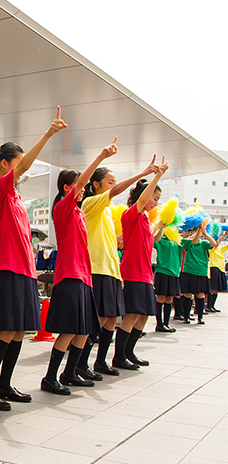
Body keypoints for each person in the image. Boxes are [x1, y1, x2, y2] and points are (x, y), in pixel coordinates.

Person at [0, 106, 66, 411]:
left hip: (24, 270)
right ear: (6, 164)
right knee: (6, 330)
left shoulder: (14, 195)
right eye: (18, 164)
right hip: (7, 268)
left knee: (18, 331)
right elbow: (24, 166)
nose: (22, 171)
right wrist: (49, 133)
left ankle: (3, 385)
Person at [41, 138, 117, 395]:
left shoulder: (78, 212)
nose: (82, 190)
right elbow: (84, 182)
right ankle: (50, 377)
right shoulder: (63, 207)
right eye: (78, 186)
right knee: (69, 330)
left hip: (84, 276)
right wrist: (101, 156)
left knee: (84, 329)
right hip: (70, 275)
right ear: (67, 188)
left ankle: (70, 373)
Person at [77, 157, 160, 379]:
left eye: (114, 182)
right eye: (110, 181)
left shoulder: (107, 211)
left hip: (111, 270)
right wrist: (144, 173)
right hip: (97, 268)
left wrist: (117, 272)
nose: (113, 185)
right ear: (95, 184)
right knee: (100, 319)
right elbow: (118, 194)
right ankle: (81, 364)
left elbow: (113, 242)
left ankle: (101, 361)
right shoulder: (90, 204)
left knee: (112, 319)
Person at [115, 157, 169, 370]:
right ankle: (119, 356)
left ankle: (129, 352)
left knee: (144, 315)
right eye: (154, 198)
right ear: (143, 197)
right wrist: (157, 175)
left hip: (146, 274)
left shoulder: (146, 219)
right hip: (132, 273)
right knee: (131, 315)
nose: (155, 202)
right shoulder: (131, 215)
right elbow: (142, 200)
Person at [180, 222, 217, 324]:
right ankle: (186, 316)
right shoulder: (187, 242)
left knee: (200, 294)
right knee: (187, 294)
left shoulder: (204, 244)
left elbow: (214, 244)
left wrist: (204, 232)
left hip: (201, 271)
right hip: (189, 270)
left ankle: (200, 317)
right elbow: (194, 241)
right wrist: (197, 232)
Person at [153, 224, 184, 332]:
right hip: (162, 271)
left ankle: (166, 323)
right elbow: (152, 239)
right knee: (161, 298)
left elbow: (192, 241)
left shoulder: (177, 241)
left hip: (174, 273)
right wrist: (161, 228)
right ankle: (159, 324)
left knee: (170, 298)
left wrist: (200, 230)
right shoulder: (160, 239)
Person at [207, 231, 228, 312]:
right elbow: (217, 244)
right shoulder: (211, 249)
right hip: (214, 268)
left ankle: (212, 305)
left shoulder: (220, 249)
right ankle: (208, 305)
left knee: (217, 289)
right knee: (212, 288)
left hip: (220, 269)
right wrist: (224, 236)